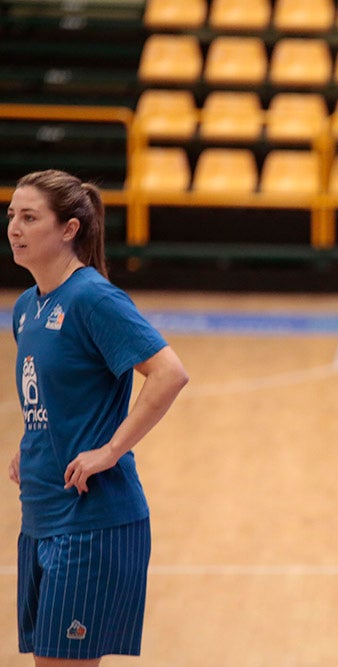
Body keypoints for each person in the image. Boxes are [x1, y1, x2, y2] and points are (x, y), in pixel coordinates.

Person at [6, 169, 189, 665]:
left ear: (68, 229)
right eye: (11, 217)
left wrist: (110, 450)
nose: (14, 229)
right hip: (41, 514)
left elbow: (169, 373)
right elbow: (52, 398)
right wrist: (30, 447)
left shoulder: (93, 297)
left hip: (92, 522)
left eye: (29, 217)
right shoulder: (26, 308)